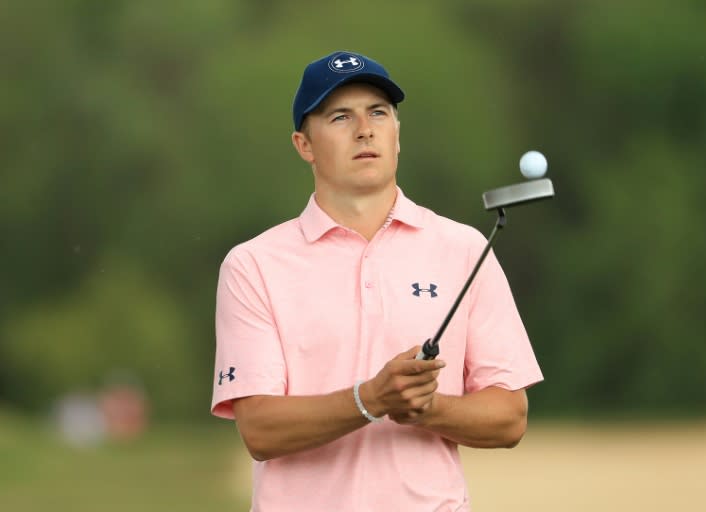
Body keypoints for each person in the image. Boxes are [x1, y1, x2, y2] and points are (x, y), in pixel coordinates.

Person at [211, 50, 543, 512]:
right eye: (341, 116)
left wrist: (428, 409)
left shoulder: (464, 248)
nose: (364, 129)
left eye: (378, 113)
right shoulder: (253, 265)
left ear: (397, 134)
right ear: (303, 145)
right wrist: (372, 398)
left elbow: (509, 418)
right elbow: (260, 430)